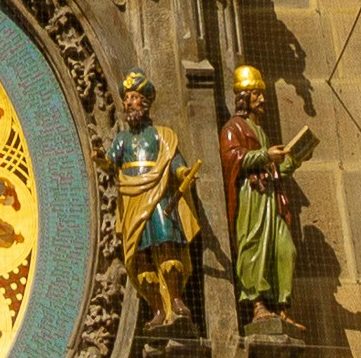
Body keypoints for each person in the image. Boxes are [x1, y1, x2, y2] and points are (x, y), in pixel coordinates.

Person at [100, 69, 199, 329]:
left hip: (157, 197)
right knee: (140, 255)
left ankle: (176, 300)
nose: (127, 103)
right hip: (132, 199)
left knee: (167, 243)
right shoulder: (122, 140)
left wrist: (182, 172)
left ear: (144, 103)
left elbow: (174, 159)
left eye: (132, 98)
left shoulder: (160, 135)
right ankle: (156, 309)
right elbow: (110, 162)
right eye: (126, 99)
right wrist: (100, 159)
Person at [220, 65, 314, 328]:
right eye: (256, 94)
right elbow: (231, 158)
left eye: (261, 94)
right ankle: (258, 304)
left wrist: (293, 160)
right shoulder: (233, 127)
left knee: (286, 249)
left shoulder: (261, 131)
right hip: (251, 198)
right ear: (243, 98)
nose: (262, 99)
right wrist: (265, 155)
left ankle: (280, 305)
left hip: (270, 197)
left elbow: (274, 168)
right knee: (255, 247)